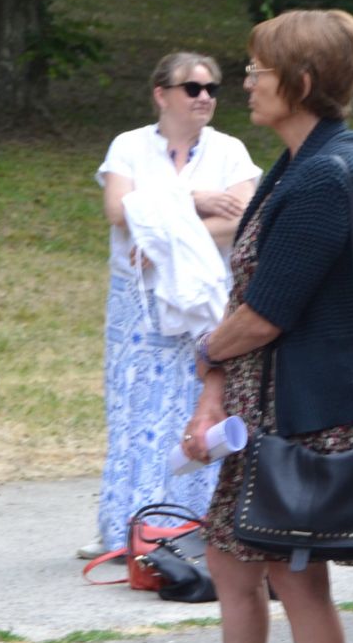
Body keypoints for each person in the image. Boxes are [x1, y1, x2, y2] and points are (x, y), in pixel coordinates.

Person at [155, 9, 353, 643]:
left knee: (299, 581)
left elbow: (267, 311)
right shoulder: (294, 164)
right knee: (227, 556)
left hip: (305, 413)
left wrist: (206, 354)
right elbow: (248, 302)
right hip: (262, 405)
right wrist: (214, 388)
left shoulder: (327, 175)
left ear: (303, 81)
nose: (244, 81)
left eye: (257, 69)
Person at [83, 51, 260, 559]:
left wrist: (161, 234)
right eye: (192, 88)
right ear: (162, 94)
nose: (204, 97)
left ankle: (192, 530)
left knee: (196, 405)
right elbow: (118, 210)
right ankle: (128, 528)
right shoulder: (129, 146)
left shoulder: (230, 151)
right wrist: (195, 200)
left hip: (204, 298)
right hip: (138, 303)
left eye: (212, 89)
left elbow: (244, 217)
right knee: (136, 409)